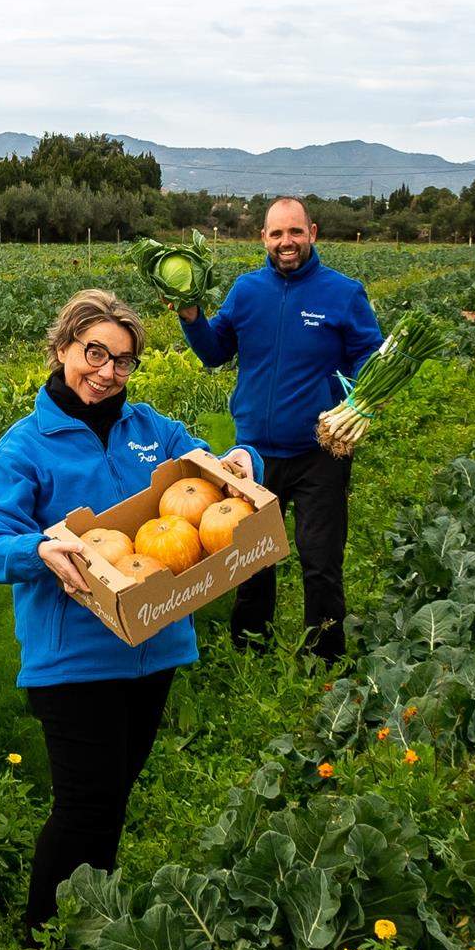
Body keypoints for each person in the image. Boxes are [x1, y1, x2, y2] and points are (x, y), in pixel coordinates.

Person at [0, 290, 261, 936]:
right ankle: (41, 937)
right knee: (84, 804)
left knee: (114, 795)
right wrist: (38, 546)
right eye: (93, 352)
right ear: (61, 349)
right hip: (72, 656)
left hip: (155, 646)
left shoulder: (154, 432)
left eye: (123, 360)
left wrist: (244, 462)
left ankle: (90, 918)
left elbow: (216, 476)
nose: (106, 371)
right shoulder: (26, 447)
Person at [176, 197, 382, 662]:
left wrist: (357, 404)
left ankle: (324, 658)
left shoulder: (343, 293)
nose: (286, 242)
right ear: (263, 238)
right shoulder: (247, 291)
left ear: (313, 231)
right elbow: (214, 352)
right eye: (276, 234)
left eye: (295, 232)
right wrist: (191, 318)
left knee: (320, 560)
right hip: (253, 454)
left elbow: (370, 356)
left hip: (319, 453)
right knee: (250, 559)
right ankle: (251, 648)